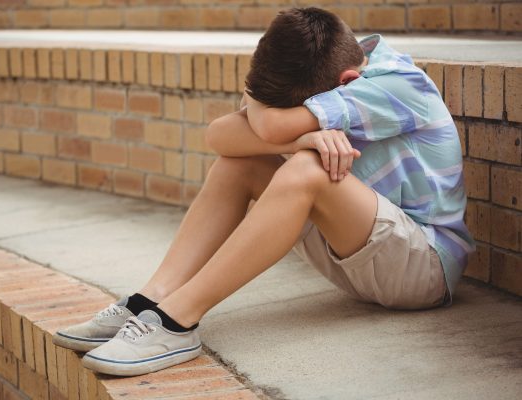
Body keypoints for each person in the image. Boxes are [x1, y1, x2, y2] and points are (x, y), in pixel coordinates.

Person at [53, 7, 475, 377]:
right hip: (355, 255)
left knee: (307, 170)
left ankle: (176, 321)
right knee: (239, 163)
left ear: (348, 82)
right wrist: (303, 136)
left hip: (422, 269)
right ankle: (153, 298)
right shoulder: (317, 67)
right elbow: (219, 137)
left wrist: (269, 114)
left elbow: (271, 126)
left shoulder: (400, 85)